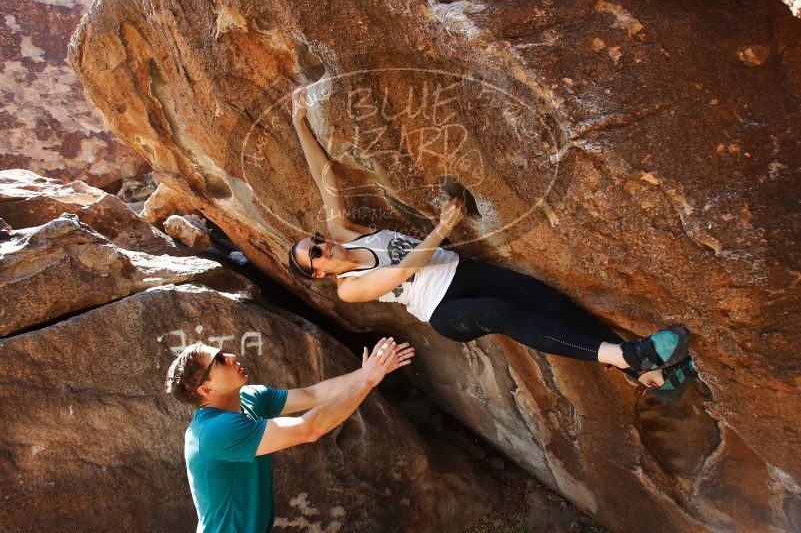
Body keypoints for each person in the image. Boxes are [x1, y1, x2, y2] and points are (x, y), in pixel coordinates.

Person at [287, 85, 698, 401]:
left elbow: (324, 175)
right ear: (319, 272)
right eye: (316, 254)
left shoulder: (344, 233)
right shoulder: (349, 287)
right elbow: (405, 268)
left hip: (462, 271)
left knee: (548, 302)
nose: (324, 245)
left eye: (317, 240)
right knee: (501, 312)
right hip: (444, 309)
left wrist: (299, 124)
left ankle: (649, 374)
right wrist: (444, 225)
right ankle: (627, 356)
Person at [164, 337, 415, 532]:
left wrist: (371, 370)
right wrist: (366, 383)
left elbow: (313, 395)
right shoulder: (214, 432)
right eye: (219, 359)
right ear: (206, 389)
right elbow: (309, 428)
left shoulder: (250, 398)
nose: (230, 355)